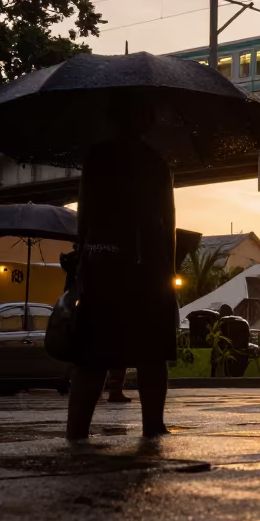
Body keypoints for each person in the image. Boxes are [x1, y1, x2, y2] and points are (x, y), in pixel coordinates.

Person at [67, 139, 176, 441]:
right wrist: (169, 266)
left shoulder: (96, 156)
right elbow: (168, 220)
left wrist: (82, 256)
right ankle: (153, 424)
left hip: (101, 259)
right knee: (152, 352)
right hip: (147, 261)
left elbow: (84, 214)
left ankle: (76, 429)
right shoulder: (155, 159)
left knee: (93, 352)